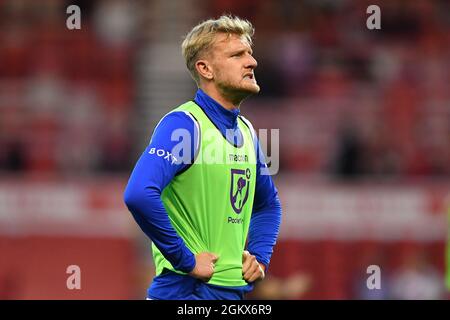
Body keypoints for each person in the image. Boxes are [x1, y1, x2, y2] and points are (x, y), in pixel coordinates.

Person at [123, 15, 282, 300]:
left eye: (249, 53)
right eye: (237, 55)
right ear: (205, 69)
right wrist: (185, 259)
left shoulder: (246, 132)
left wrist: (260, 256)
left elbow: (268, 204)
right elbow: (139, 193)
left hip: (232, 295)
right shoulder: (185, 125)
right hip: (187, 293)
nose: (252, 62)